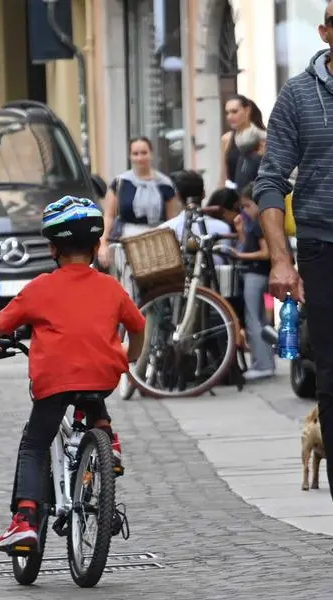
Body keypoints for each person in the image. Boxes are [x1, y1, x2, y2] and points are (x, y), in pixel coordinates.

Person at [0, 196, 146, 552]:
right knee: (92, 392)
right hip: (103, 376)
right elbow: (139, 326)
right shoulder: (111, 287)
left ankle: (25, 519)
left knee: (35, 443)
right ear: (97, 246)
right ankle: (105, 437)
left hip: (56, 382)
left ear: (52, 248)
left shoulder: (41, 288)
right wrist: (129, 357)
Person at [255, 4, 333, 498]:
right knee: (330, 371)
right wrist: (282, 260)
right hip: (323, 247)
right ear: (326, 31)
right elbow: (269, 181)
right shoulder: (299, 95)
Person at [97, 137, 180, 268]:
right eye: (135, 154)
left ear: (151, 154)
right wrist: (103, 244)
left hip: (158, 242)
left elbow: (172, 220)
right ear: (130, 156)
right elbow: (109, 216)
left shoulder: (165, 184)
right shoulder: (120, 183)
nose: (140, 158)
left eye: (144, 153)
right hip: (126, 242)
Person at [229, 183, 274, 380]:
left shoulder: (258, 223)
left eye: (247, 206)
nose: (245, 211)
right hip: (261, 273)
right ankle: (266, 362)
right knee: (261, 319)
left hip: (256, 273)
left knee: (253, 320)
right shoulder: (256, 223)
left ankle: (262, 364)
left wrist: (239, 255)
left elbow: (265, 252)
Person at [160, 170, 235, 265]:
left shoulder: (165, 229)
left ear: (178, 196)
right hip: (219, 278)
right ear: (203, 193)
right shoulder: (223, 228)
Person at [220, 95, 267, 191]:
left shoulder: (263, 138)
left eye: (234, 112)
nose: (229, 117)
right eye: (227, 113)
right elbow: (223, 175)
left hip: (257, 194)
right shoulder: (227, 139)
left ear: (247, 111)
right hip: (235, 196)